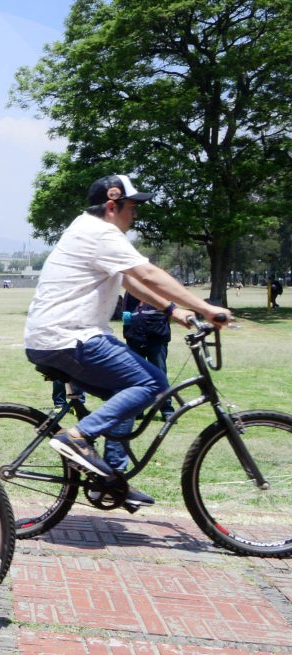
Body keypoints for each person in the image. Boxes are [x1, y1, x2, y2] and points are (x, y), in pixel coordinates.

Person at [24, 174, 230, 510]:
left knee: (127, 396)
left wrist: (173, 310)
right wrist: (205, 308)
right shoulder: (99, 233)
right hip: (68, 337)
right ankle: (75, 438)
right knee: (152, 383)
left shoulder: (89, 229)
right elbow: (147, 273)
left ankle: (109, 480)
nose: (135, 215)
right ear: (111, 205)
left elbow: (131, 282)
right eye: (132, 207)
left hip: (66, 336)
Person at [121, 291, 175, 422]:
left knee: (159, 375)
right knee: (135, 377)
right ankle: (137, 410)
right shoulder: (129, 293)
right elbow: (126, 314)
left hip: (156, 340)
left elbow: (170, 314)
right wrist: (128, 333)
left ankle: (167, 410)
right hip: (134, 340)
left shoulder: (158, 290)